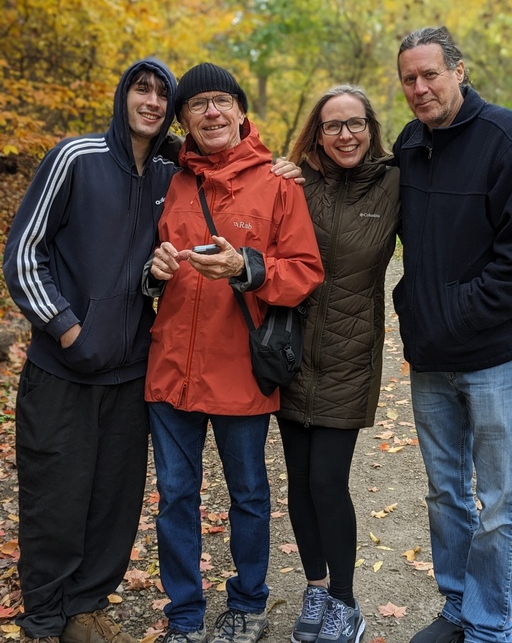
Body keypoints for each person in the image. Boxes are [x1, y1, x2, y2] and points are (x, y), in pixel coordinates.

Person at [142, 63, 324, 643]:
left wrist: (247, 267)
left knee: (247, 494)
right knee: (175, 496)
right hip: (172, 370)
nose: (212, 113)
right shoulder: (170, 180)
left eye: (222, 101)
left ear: (242, 111)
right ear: (185, 121)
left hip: (240, 370)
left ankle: (247, 604)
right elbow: (150, 266)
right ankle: (185, 615)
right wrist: (156, 270)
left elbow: (304, 272)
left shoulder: (278, 181)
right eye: (197, 106)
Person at [2, 58, 179, 643]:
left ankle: (85, 610)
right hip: (63, 371)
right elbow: (25, 255)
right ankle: (45, 621)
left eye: (161, 94)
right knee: (55, 500)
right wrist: (68, 328)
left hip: (130, 375)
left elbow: (228, 152)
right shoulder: (76, 157)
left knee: (114, 504)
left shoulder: (167, 173)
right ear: (124, 95)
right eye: (141, 89)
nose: (151, 101)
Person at [393, 27, 512, 643]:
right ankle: (459, 607)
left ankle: (490, 627)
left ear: (458, 71)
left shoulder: (505, 136)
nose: (419, 88)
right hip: (432, 355)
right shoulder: (411, 144)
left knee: (498, 498)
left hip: (493, 354)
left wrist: (461, 311)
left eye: (430, 74)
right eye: (409, 78)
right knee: (445, 493)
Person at [275, 85, 401, 643]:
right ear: (318, 133)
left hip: (349, 356)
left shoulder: (397, 182)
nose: (345, 135)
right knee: (298, 484)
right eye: (333, 126)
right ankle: (315, 587)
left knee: (327, 481)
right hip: (291, 352)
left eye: (355, 124)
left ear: (371, 128)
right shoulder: (296, 183)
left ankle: (346, 602)